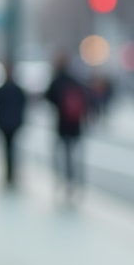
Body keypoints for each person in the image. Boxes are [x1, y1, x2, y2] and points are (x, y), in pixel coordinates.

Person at [45, 52, 88, 200]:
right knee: (74, 155)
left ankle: (63, 181)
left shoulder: (57, 80)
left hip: (61, 125)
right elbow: (85, 98)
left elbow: (48, 97)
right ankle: (75, 182)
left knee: (61, 155)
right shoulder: (74, 80)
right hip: (75, 125)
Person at [0, 63, 27, 187]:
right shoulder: (17, 89)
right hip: (14, 123)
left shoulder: (2, 89)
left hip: (4, 123)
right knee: (12, 148)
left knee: (7, 149)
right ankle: (11, 173)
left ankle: (9, 173)